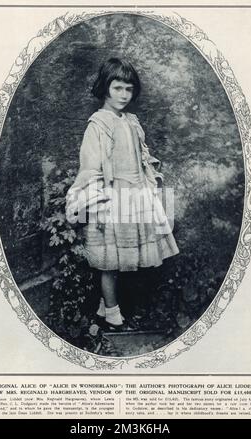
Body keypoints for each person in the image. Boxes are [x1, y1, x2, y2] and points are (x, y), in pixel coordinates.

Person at [66, 58, 179, 331]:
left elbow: (141, 156)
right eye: (117, 88)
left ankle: (105, 307)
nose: (123, 95)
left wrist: (148, 178)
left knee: (123, 257)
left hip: (134, 196)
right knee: (109, 261)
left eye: (128, 89)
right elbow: (90, 165)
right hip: (112, 198)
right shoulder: (98, 124)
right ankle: (113, 315)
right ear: (105, 88)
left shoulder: (131, 120)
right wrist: (97, 199)